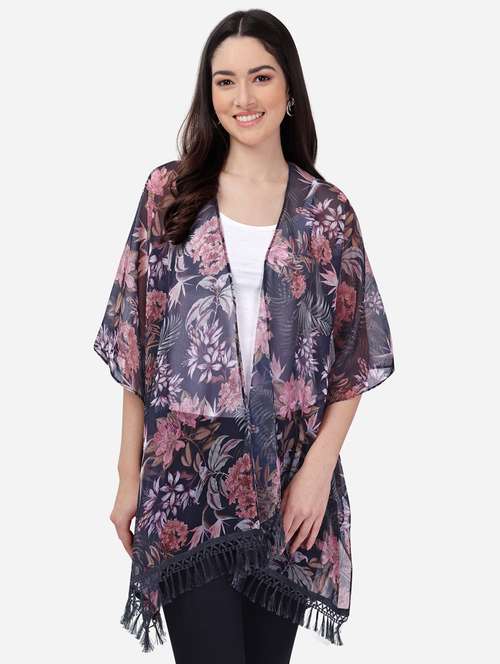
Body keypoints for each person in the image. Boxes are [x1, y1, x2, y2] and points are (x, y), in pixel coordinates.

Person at [93, 9, 395, 663]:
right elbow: (138, 345)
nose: (242, 98)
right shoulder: (169, 193)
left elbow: (354, 355)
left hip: (287, 483)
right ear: (209, 95)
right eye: (224, 81)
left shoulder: (326, 212)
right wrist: (126, 476)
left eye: (260, 77)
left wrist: (317, 473)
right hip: (185, 480)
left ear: (289, 90)